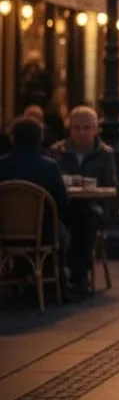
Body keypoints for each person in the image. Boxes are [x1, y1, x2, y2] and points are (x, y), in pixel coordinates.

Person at [49, 106, 117, 297]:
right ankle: (56, 277)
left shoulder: (105, 153)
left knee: (86, 218)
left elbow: (111, 186)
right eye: (77, 128)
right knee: (52, 222)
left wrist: (92, 188)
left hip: (92, 207)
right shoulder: (58, 151)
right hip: (65, 206)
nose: (82, 133)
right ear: (69, 129)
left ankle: (78, 278)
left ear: (95, 129)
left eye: (87, 128)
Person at [0, 117, 69, 281]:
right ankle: (55, 278)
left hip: (4, 232)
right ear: (40, 138)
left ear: (12, 137)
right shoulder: (49, 167)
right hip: (42, 234)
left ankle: (18, 273)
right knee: (63, 230)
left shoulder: (1, 165)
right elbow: (62, 202)